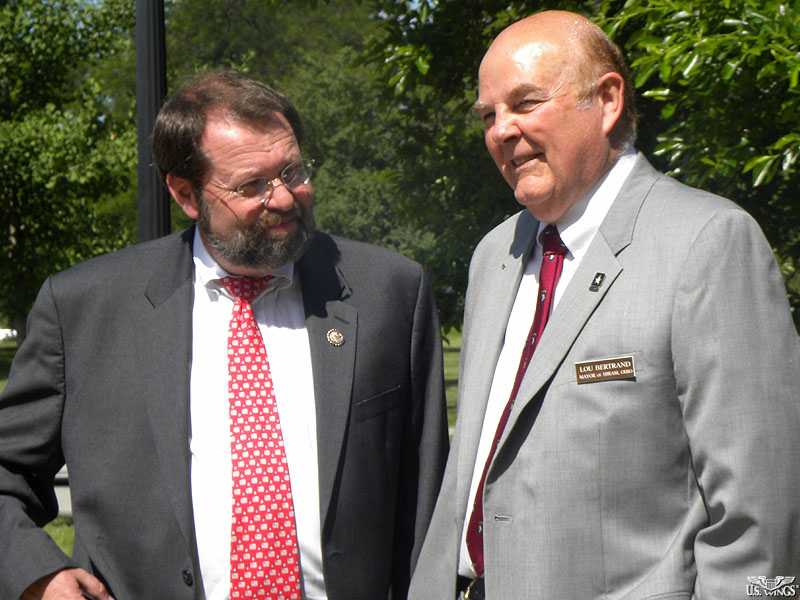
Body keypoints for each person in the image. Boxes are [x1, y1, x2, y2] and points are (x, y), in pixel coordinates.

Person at [0, 69, 449, 600]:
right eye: (252, 185)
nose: (283, 199)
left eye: (293, 172)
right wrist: (38, 576)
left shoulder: (389, 291)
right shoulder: (83, 309)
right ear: (186, 194)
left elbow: (429, 499)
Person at [409, 10, 800, 600]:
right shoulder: (495, 254)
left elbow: (763, 513)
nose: (500, 131)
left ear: (608, 99)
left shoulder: (708, 241)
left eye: (525, 103)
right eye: (489, 115)